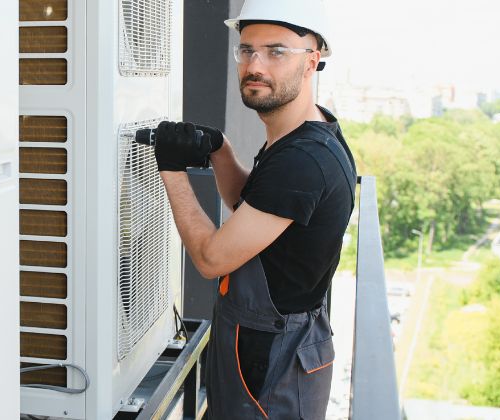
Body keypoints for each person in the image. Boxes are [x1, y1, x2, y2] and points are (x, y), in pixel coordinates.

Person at [148, 0, 355, 418]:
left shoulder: (302, 160)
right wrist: (221, 150)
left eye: (276, 51)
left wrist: (170, 168)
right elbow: (253, 207)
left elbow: (210, 258)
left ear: (312, 61)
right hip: (266, 343)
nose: (255, 64)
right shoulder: (301, 133)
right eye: (247, 50)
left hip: (272, 359)